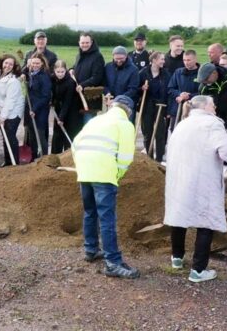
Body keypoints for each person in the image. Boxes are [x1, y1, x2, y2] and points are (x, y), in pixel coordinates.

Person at [164, 95, 227, 283]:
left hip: (179, 178)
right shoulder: (212, 125)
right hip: (203, 180)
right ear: (205, 107)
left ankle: (177, 258)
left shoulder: (182, 124)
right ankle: (198, 270)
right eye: (213, 104)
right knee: (206, 221)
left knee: (179, 216)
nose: (215, 107)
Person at [72, 95, 138, 279]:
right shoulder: (125, 124)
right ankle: (113, 262)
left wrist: (81, 167)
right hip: (104, 174)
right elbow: (126, 157)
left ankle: (91, 249)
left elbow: (76, 143)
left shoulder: (96, 120)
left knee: (89, 212)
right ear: (129, 111)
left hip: (85, 172)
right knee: (107, 217)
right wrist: (117, 174)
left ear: (112, 106)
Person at [0, 55, 24, 166]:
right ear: (2, 62)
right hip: (0, 108)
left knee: (10, 136)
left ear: (13, 67)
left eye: (11, 64)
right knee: (5, 136)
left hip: (13, 112)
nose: (7, 66)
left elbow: (10, 101)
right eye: (6, 63)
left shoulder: (13, 81)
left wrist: (3, 117)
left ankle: (14, 163)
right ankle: (8, 162)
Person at [138, 52, 170, 161]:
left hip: (161, 106)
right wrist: (141, 88)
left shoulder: (165, 74)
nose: (163, 61)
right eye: (161, 59)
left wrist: (168, 109)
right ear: (154, 60)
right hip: (147, 105)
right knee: (147, 132)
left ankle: (159, 159)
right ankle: (150, 157)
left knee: (160, 132)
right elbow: (136, 89)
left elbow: (168, 91)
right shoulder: (143, 73)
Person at [72, 33, 105, 128]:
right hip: (78, 97)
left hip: (91, 98)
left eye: (87, 42)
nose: (84, 45)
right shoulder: (79, 55)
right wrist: (71, 70)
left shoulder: (97, 57)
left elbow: (97, 77)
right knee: (78, 127)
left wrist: (82, 85)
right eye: (82, 42)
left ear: (92, 43)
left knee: (88, 126)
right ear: (79, 43)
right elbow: (76, 68)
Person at [24, 53, 52, 160]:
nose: (35, 65)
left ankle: (44, 159)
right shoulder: (31, 74)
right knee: (32, 136)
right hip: (30, 109)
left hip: (40, 110)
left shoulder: (44, 76)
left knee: (40, 134)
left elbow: (46, 96)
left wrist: (34, 109)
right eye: (33, 62)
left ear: (42, 64)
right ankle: (33, 157)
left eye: (37, 63)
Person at [167, 49, 200, 126]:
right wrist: (180, 94)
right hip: (177, 109)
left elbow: (203, 92)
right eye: (184, 60)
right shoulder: (178, 72)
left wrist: (189, 96)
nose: (186, 62)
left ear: (195, 59)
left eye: (189, 60)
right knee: (174, 130)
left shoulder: (201, 73)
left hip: (194, 110)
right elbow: (170, 89)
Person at [51, 60, 78, 154]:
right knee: (57, 134)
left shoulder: (70, 82)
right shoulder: (53, 79)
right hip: (58, 109)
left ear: (65, 70)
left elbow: (67, 101)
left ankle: (68, 155)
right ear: (54, 70)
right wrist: (51, 101)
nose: (60, 74)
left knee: (68, 133)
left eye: (62, 72)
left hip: (70, 111)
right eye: (58, 72)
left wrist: (61, 118)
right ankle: (55, 155)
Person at [104, 46, 140, 114]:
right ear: (113, 56)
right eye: (116, 58)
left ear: (126, 56)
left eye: (121, 58)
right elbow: (105, 83)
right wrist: (107, 93)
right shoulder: (108, 67)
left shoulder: (134, 70)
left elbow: (133, 89)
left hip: (126, 105)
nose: (119, 61)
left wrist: (117, 100)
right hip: (110, 103)